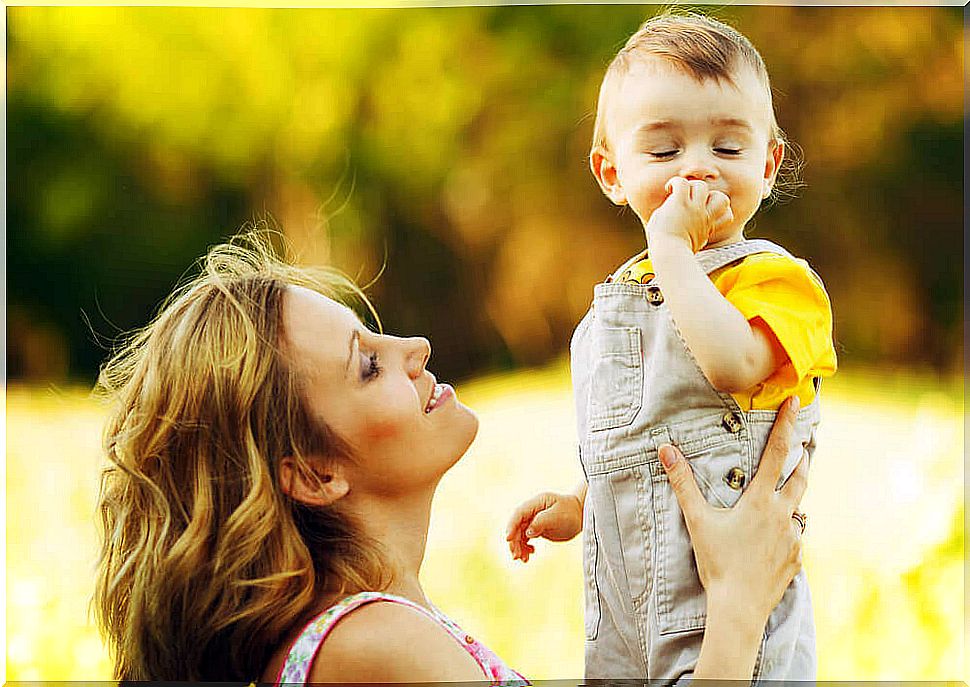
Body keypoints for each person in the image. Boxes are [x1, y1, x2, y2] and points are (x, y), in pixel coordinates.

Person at [94, 232, 809, 682]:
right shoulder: (369, 647)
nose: (415, 349)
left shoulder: (377, 629)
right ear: (314, 473)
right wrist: (739, 605)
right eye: (368, 365)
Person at [507, 11, 837, 681]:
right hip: (625, 615)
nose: (697, 170)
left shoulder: (778, 281)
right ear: (611, 172)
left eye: (727, 147)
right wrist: (581, 501)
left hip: (732, 611)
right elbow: (644, 433)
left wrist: (670, 248)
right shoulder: (608, 316)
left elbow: (732, 363)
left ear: (768, 164)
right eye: (663, 151)